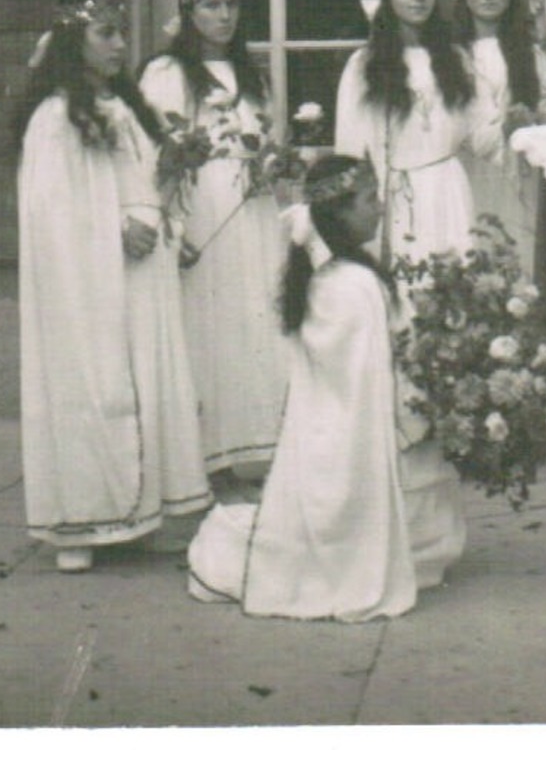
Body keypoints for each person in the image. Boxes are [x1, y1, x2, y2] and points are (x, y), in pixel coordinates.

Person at [185, 156, 440, 620]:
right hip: (348, 443)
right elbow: (380, 374)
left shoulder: (334, 277)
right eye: (368, 200)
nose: (380, 208)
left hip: (326, 441)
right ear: (338, 212)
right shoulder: (352, 285)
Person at [13, 0, 210, 573]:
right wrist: (115, 231)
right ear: (75, 42)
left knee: (143, 382)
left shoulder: (124, 109)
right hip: (89, 283)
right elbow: (52, 214)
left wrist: (167, 185)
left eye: (123, 32)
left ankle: (139, 514)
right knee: (92, 385)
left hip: (139, 274)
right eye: (106, 33)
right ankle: (80, 522)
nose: (122, 44)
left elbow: (139, 180)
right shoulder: (54, 119)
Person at [140, 0, 289, 486]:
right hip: (199, 204)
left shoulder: (252, 76)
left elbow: (265, 134)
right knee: (206, 319)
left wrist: (270, 164)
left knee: (252, 316)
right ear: (189, 11)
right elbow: (156, 152)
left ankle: (253, 441)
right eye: (210, 5)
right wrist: (170, 224)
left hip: (251, 208)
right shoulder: (166, 74)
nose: (223, 15)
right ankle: (203, 453)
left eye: (230, 5)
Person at [335, 0, 493, 265]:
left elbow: (481, 135)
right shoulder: (364, 64)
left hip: (448, 189)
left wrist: (514, 126)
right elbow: (349, 147)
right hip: (395, 193)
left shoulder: (455, 60)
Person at [452, 0, 546, 266]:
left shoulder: (531, 53)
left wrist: (531, 120)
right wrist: (501, 128)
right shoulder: (451, 55)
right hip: (471, 172)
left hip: (521, 173)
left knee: (519, 253)